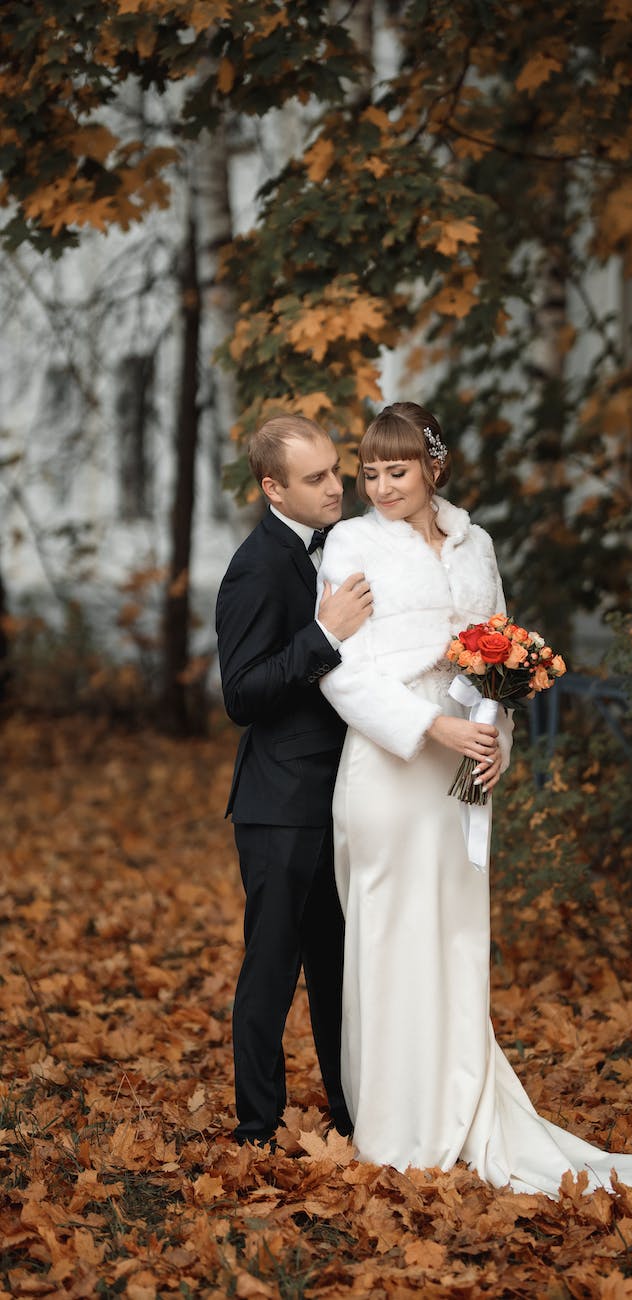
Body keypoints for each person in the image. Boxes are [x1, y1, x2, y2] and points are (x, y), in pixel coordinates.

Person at [316, 401, 632, 1212]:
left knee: (456, 932)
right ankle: (397, 1126)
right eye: (368, 472)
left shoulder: (477, 544)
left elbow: (499, 650)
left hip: (461, 767)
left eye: (397, 470)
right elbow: (340, 669)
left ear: (434, 466)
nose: (381, 485)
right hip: (391, 766)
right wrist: (427, 718)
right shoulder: (352, 543)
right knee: (390, 932)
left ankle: (460, 1096)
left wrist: (491, 732)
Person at [216, 413, 373, 1146]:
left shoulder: (344, 547)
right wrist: (325, 635)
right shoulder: (255, 565)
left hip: (344, 796)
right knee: (272, 971)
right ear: (272, 486)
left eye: (336, 470)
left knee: (339, 973)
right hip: (279, 804)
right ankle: (256, 1126)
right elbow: (241, 694)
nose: (335, 487)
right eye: (316, 479)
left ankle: (350, 1113)